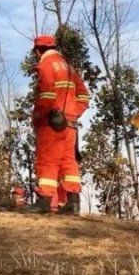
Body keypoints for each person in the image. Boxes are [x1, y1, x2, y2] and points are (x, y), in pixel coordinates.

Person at [28, 34, 91, 215]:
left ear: (39, 50)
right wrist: (72, 113)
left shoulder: (46, 65)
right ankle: (73, 202)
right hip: (70, 124)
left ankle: (45, 202)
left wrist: (39, 116)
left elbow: (46, 95)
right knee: (68, 161)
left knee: (47, 159)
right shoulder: (69, 67)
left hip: (51, 122)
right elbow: (84, 96)